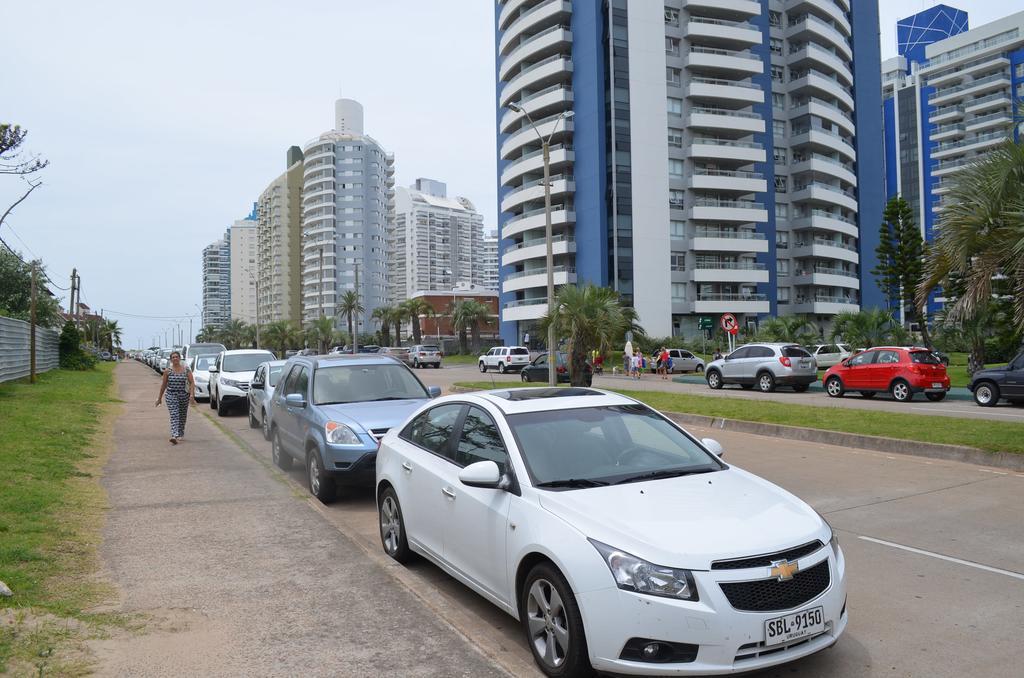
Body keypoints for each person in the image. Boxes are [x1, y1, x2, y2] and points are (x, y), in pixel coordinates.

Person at [156, 350, 196, 444]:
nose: (175, 359)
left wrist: (192, 395)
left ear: (180, 358)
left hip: (183, 395)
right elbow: (163, 385)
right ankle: (174, 435)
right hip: (171, 395)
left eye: (176, 357)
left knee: (182, 415)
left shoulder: (186, 370)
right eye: (173, 357)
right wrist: (159, 398)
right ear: (171, 360)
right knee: (174, 414)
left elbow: (192, 382)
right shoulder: (167, 371)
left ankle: (180, 433)